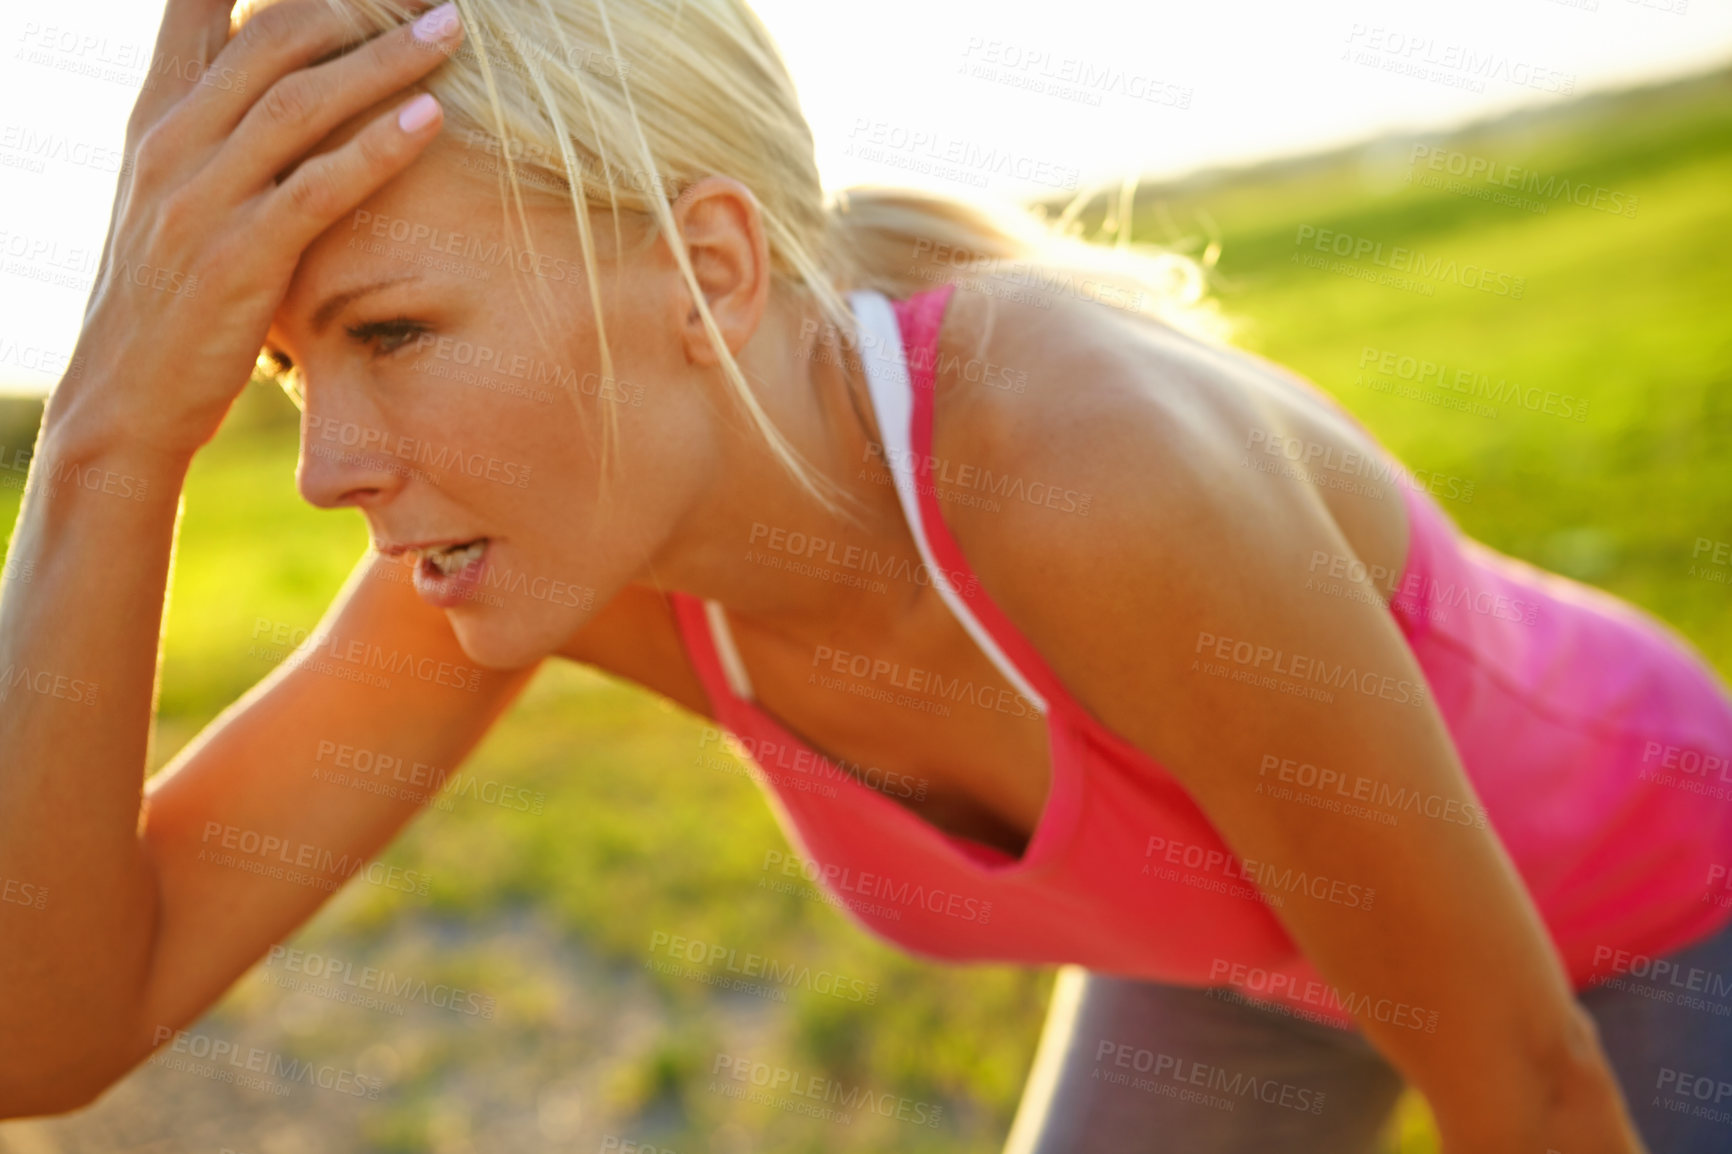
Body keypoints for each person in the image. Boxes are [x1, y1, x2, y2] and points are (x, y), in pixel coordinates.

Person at [0, 0, 1727, 1149]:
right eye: (298, 369)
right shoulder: (563, 542)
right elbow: (48, 1028)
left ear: (712, 268)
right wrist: (104, 440)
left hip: (1653, 916)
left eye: (395, 331)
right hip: (1239, 957)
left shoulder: (1084, 471)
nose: (326, 468)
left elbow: (1529, 1085)